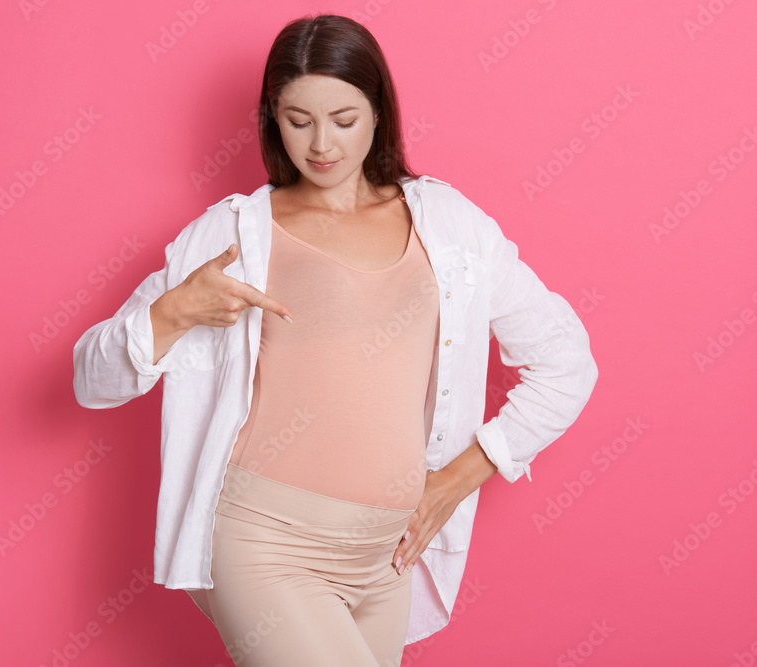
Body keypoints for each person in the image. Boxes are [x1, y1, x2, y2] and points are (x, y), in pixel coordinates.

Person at [72, 13, 598, 667]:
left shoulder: (451, 225)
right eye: (298, 120)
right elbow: (90, 379)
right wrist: (171, 313)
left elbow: (566, 361)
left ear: (378, 111)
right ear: (273, 117)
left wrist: (460, 478)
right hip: (265, 544)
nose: (321, 144)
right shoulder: (235, 232)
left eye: (343, 120)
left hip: (388, 557)